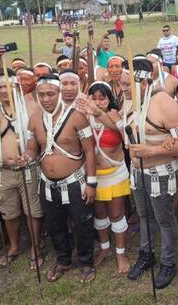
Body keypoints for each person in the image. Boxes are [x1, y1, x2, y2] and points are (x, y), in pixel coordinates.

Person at [125, 58, 178, 289]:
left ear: (143, 82)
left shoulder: (164, 102)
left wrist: (150, 150)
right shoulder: (129, 102)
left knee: (164, 219)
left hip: (160, 173)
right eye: (122, 85)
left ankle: (168, 262)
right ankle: (147, 254)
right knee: (144, 216)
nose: (124, 89)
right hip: (137, 172)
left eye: (127, 84)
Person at [28, 74, 97, 283]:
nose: (46, 99)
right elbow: (33, 148)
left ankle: (86, 262)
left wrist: (91, 183)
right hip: (47, 184)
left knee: (82, 223)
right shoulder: (34, 119)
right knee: (55, 224)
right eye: (41, 95)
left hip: (75, 181)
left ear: (59, 93)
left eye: (50, 94)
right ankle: (63, 260)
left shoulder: (77, 116)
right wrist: (24, 157)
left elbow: (90, 151)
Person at [0, 70, 43, 271]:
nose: (2, 91)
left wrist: (28, 156)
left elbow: (39, 138)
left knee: (32, 210)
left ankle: (35, 248)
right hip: (2, 170)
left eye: (6, 86)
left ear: (16, 87)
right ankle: (15, 246)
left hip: (28, 167)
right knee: (9, 212)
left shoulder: (32, 107)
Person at [77, 82, 131, 274]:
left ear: (110, 99)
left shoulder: (115, 115)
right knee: (99, 214)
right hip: (93, 175)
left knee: (116, 214)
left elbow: (125, 137)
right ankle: (105, 247)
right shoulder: (83, 117)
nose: (98, 102)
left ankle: (120, 253)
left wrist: (99, 114)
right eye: (94, 98)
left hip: (115, 173)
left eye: (103, 98)